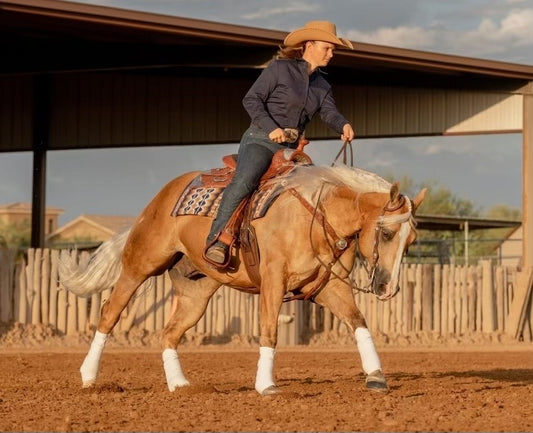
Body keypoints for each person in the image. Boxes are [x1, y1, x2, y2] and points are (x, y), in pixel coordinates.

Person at [204, 20, 356, 265]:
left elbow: (329, 113)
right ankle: (217, 238)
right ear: (309, 45)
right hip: (260, 141)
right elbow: (251, 99)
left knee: (315, 189)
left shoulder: (323, 85)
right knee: (245, 180)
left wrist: (343, 124)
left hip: (290, 150)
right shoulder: (279, 69)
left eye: (333, 50)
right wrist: (271, 127)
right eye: (327, 48)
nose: (331, 54)